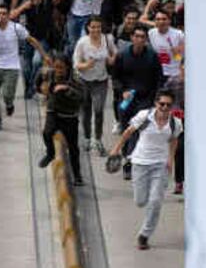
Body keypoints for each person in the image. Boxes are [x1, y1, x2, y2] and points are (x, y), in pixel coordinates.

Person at [108, 87, 179, 251]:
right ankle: (147, 208)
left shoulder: (175, 123)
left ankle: (144, 235)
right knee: (140, 201)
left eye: (168, 105)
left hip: (160, 165)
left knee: (155, 201)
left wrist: (170, 159)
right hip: (140, 162)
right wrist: (116, 149)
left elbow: (174, 140)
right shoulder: (144, 116)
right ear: (156, 103)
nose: (165, 108)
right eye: (162, 104)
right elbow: (127, 132)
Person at [110, 26, 164, 180]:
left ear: (146, 40)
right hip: (127, 100)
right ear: (132, 38)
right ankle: (127, 158)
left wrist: (157, 100)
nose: (140, 39)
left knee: (137, 130)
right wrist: (123, 91)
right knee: (126, 130)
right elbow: (115, 78)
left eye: (143, 37)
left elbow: (159, 79)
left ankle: (130, 162)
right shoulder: (122, 55)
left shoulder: (152, 57)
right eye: (137, 36)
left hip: (145, 100)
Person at [0, 2, 46, 130]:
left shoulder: (16, 28)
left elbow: (31, 40)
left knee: (7, 94)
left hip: (11, 66)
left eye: (4, 14)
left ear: (9, 15)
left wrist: (43, 54)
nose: (1, 16)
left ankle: (9, 104)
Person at [37, 54, 85, 186]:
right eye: (56, 67)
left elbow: (82, 98)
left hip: (69, 116)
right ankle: (50, 153)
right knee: (47, 132)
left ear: (67, 68)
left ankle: (77, 175)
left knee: (73, 148)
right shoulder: (49, 74)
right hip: (54, 111)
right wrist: (41, 89)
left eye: (61, 68)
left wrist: (67, 89)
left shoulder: (75, 80)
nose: (58, 71)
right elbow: (39, 79)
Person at [73, 16, 116, 154]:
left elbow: (114, 53)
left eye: (98, 27)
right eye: (93, 27)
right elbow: (76, 64)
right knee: (86, 111)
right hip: (84, 81)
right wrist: (87, 65)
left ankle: (97, 140)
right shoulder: (82, 43)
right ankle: (86, 138)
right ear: (88, 28)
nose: (96, 30)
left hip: (101, 81)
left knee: (98, 111)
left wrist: (111, 60)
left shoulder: (107, 39)